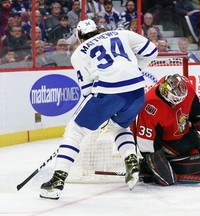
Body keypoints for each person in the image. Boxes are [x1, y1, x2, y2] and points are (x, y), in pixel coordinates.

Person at [40, 19, 158, 199]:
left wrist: (103, 110)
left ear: (79, 37)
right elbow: (152, 51)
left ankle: (57, 180)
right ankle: (131, 160)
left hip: (109, 93)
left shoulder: (79, 53)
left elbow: (88, 91)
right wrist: (135, 68)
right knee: (119, 127)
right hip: (137, 92)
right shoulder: (121, 33)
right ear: (97, 30)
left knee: (75, 130)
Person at [136, 74, 200, 186]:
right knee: (176, 169)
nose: (180, 101)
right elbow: (147, 144)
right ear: (167, 94)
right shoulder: (150, 107)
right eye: (176, 99)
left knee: (198, 146)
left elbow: (195, 113)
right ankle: (146, 166)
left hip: (183, 133)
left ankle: (179, 163)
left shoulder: (186, 87)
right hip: (165, 142)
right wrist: (157, 166)